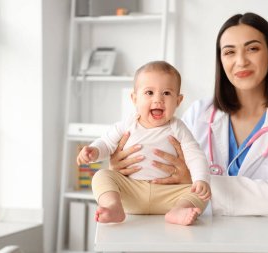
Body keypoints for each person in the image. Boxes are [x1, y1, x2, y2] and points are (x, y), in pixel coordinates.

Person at [108, 12, 268, 218]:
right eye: (229, 52)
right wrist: (124, 170)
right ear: (221, 60)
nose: (241, 61)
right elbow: (157, 175)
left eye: (252, 49)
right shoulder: (199, 113)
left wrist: (198, 181)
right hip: (200, 237)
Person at [77, 61, 211, 225]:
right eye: (149, 92)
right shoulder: (128, 123)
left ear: (178, 100)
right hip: (132, 191)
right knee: (101, 176)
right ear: (134, 98)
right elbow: (106, 142)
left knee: (201, 193)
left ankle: (178, 211)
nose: (158, 100)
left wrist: (200, 179)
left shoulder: (178, 127)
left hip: (168, 194)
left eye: (167, 93)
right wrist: (94, 151)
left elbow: (195, 154)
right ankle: (113, 206)